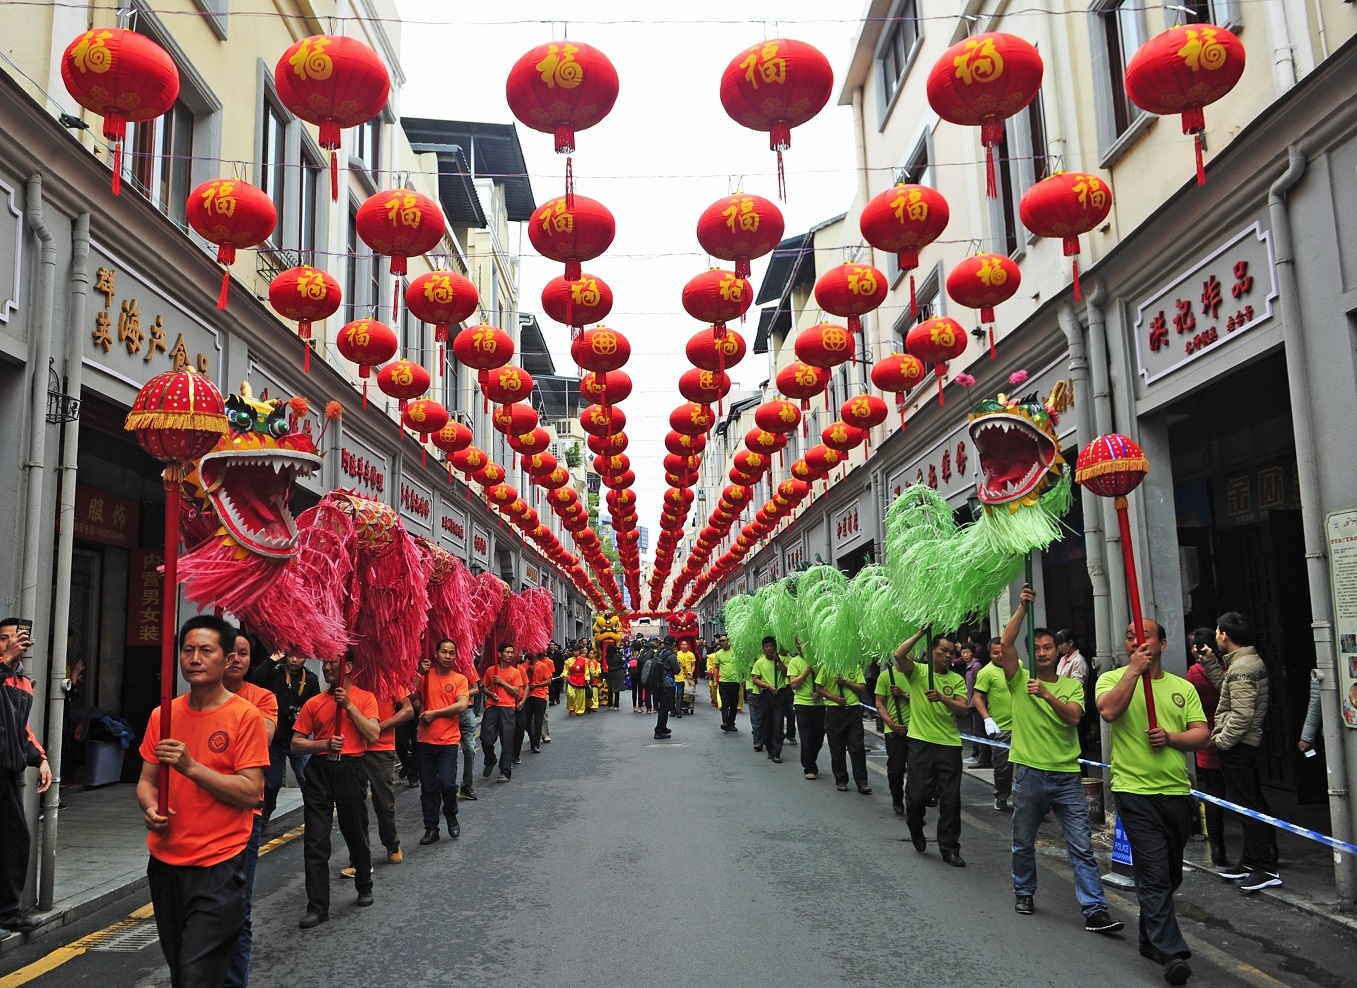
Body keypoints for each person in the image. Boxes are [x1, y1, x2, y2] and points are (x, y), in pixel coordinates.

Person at [137, 616, 268, 986]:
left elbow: (249, 792)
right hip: (164, 863)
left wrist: (192, 767)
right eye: (188, 650)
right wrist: (149, 807)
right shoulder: (163, 715)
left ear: (228, 660)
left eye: (205, 650)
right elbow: (146, 782)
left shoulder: (245, 716)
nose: (194, 658)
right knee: (183, 972)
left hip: (219, 866)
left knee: (196, 976)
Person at [1000, 586, 1124, 935]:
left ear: (1059, 652)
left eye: (1048, 647)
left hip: (1067, 776)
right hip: (1029, 775)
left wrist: (1046, 694)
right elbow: (1007, 644)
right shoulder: (1018, 680)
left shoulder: (1070, 685)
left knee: (1082, 847)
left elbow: (1072, 718)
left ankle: (1095, 910)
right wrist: (1023, 607)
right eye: (1036, 648)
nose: (1042, 652)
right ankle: (1024, 892)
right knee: (1023, 841)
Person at [1096, 620, 1208, 986]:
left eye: (1144, 636)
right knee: (1156, 873)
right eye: (1129, 636)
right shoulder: (1112, 679)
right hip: (1133, 790)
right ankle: (1172, 953)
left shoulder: (1182, 687)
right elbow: (1109, 712)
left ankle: (1149, 936)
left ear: (1163, 643)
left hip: (1175, 791)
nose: (1135, 641)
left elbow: (1201, 734)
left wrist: (1172, 737)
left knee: (1168, 874)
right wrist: (1133, 671)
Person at [292, 654, 380, 929]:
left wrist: (349, 707)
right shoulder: (313, 703)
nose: (327, 667)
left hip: (351, 769)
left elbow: (373, 734)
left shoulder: (365, 698)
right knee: (316, 840)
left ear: (349, 667)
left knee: (355, 830)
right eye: (325, 662)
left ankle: (364, 883)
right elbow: (296, 744)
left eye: (333, 662)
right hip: (319, 771)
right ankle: (317, 907)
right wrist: (323, 745)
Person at [1199, 612, 1279, 893]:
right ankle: (1250, 862)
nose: (1216, 637)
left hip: (1238, 746)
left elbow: (1242, 714)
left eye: (1218, 633)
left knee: (1248, 806)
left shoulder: (1243, 667)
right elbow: (1228, 690)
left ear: (1224, 635)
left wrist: (1220, 740)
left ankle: (1264, 867)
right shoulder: (1243, 663)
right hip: (1241, 745)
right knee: (1248, 803)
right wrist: (1210, 662)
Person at [222, 632, 278, 988]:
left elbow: (262, 738)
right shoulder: (189, 702)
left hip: (245, 817)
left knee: (238, 911)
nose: (235, 659)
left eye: (243, 653)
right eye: (228, 652)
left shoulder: (263, 698)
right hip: (200, 820)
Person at [893, 630, 969, 867]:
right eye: (943, 651)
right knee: (915, 797)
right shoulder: (918, 672)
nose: (948, 655)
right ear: (932, 652)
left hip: (949, 745)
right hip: (920, 743)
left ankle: (949, 847)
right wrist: (921, 632)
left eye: (951, 652)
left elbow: (963, 709)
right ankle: (915, 826)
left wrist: (942, 699)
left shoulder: (956, 679)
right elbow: (899, 654)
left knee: (950, 801)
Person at [0, 619, 53, 933]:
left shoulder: (22, 682)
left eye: (14, 639)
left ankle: (8, 911)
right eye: (2, 639)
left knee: (15, 840)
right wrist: (6, 661)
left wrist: (41, 759)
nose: (9, 644)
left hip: (5, 772)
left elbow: (22, 730)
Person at [250, 649, 320, 829]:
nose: (295, 660)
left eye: (300, 656)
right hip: (275, 740)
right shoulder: (274, 673)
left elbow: (315, 707)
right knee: (272, 783)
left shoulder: (310, 679)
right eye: (291, 655)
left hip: (297, 740)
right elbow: (254, 680)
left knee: (306, 779)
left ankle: (313, 815)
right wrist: (272, 659)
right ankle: (266, 814)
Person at [417, 639, 469, 845]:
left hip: (448, 741)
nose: (447, 656)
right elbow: (407, 697)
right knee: (428, 788)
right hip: (424, 740)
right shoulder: (425, 677)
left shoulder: (459, 679)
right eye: (444, 652)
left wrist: (435, 714)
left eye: (451, 653)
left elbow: (462, 705)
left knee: (447, 784)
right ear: (436, 653)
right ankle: (431, 827)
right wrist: (419, 675)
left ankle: (450, 813)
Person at [1184, 629, 1226, 866]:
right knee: (1243, 797)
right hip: (1232, 735)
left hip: (1207, 736)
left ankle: (1218, 850)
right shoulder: (1229, 669)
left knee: (1213, 795)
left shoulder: (1194, 673)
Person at [366, 683, 413, 864]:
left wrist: (380, 727)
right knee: (354, 805)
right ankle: (357, 855)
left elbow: (408, 710)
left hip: (381, 749)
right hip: (353, 749)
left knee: (384, 803)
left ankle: (392, 844)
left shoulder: (389, 678)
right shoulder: (349, 679)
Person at [815, 656, 872, 795]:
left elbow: (861, 688)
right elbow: (819, 688)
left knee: (857, 747)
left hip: (853, 711)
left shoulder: (854, 666)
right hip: (835, 712)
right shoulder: (826, 667)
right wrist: (835, 698)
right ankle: (841, 780)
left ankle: (862, 782)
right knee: (837, 747)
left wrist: (845, 682)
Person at [973, 640, 1014, 812]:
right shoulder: (986, 672)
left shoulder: (1016, 665)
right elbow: (977, 698)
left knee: (1028, 768)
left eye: (1003, 651)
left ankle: (1029, 802)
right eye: (996, 652)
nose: (1000, 656)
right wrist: (987, 719)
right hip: (1001, 728)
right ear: (990, 654)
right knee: (1003, 768)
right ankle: (1001, 796)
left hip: (1023, 726)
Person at [481, 643, 526, 783]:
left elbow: (516, 692)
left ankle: (505, 771)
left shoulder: (515, 672)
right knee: (485, 738)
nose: (511, 655)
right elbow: (483, 687)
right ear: (500, 654)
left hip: (507, 708)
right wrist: (490, 693)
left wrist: (502, 682)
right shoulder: (490, 670)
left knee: (507, 741)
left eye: (512, 652)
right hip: (492, 707)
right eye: (507, 652)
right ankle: (490, 759)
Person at [874, 655, 911, 815]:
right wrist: (891, 724)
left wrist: (905, 695)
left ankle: (915, 803)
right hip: (894, 732)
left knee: (918, 771)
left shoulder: (919, 675)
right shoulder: (885, 676)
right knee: (896, 770)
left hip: (918, 731)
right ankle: (897, 798)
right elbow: (879, 703)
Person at [787, 640, 824, 780]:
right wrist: (807, 671)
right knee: (806, 737)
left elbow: (826, 681)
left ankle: (811, 760)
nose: (800, 646)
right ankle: (809, 767)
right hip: (802, 703)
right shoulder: (794, 662)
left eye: (802, 642)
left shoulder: (819, 660)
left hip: (820, 704)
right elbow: (794, 684)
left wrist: (821, 693)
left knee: (819, 736)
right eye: (797, 643)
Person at [750, 637, 788, 762]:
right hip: (766, 695)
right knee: (768, 723)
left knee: (778, 724)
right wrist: (768, 686)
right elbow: (755, 679)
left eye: (771, 646)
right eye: (766, 647)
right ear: (763, 648)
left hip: (780, 694)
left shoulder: (780, 661)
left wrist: (779, 662)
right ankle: (770, 747)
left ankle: (777, 752)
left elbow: (786, 673)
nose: (769, 649)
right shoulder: (759, 663)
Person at [457, 658, 480, 800]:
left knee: (470, 749)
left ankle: (467, 785)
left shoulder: (467, 666)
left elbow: (476, 688)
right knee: (448, 753)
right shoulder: (437, 668)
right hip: (447, 713)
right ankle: (447, 787)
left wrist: (460, 696)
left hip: (466, 712)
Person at [711, 635, 742, 731]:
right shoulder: (719, 653)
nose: (721, 642)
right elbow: (716, 667)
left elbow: (741, 665)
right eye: (720, 641)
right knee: (725, 703)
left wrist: (742, 678)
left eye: (723, 641)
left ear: (728, 641)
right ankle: (725, 722)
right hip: (723, 682)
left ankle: (731, 723)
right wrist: (715, 680)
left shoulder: (735, 652)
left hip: (734, 682)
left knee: (733, 704)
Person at [653, 636, 681, 740]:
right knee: (665, 708)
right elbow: (676, 670)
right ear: (673, 644)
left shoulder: (659, 652)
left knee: (663, 706)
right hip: (667, 683)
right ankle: (659, 731)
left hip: (658, 682)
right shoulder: (671, 655)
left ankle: (663, 728)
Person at [526, 651, 552, 753]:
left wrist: (537, 685)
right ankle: (533, 738)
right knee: (526, 721)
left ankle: (535, 744)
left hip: (540, 696)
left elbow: (549, 681)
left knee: (538, 721)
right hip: (527, 697)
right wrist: (527, 671)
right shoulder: (523, 666)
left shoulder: (543, 666)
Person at [674, 639, 696, 718]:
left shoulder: (691, 654)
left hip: (688, 675)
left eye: (685, 644)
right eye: (682, 645)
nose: (684, 646)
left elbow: (693, 664)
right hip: (678, 676)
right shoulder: (678, 654)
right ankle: (678, 708)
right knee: (678, 694)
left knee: (687, 692)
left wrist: (691, 672)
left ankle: (685, 705)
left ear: (688, 646)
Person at [566, 648, 590, 717]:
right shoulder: (569, 660)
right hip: (572, 679)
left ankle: (580, 710)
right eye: (574, 651)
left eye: (577, 651)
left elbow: (586, 670)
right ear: (572, 652)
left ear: (579, 652)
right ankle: (572, 708)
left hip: (581, 679)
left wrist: (587, 678)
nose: (576, 652)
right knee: (570, 694)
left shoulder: (584, 660)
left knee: (580, 696)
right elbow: (566, 670)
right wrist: (565, 675)